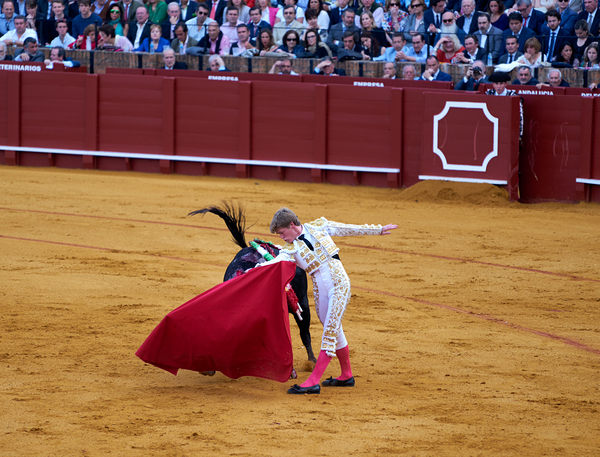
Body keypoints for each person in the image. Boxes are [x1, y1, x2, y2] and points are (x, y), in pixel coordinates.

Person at [256, 208, 397, 395]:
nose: (281, 237)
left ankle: (313, 381)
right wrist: (253, 270)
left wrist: (377, 230)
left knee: (330, 331)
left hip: (339, 283)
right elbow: (273, 263)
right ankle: (347, 375)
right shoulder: (290, 249)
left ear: (292, 225)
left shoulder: (319, 226)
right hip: (320, 289)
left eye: (282, 233)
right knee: (332, 327)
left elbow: (347, 229)